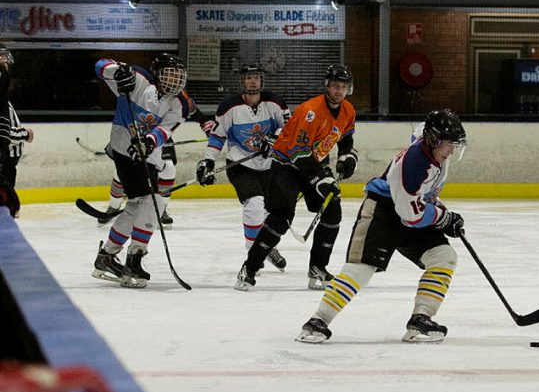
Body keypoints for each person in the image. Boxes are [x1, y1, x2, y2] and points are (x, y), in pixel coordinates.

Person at [296, 109, 466, 343]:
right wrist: (442, 218)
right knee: (361, 269)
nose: (452, 150)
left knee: (443, 256)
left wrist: (441, 212)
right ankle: (317, 321)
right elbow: (411, 215)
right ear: (434, 139)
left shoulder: (432, 149)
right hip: (382, 211)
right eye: (449, 144)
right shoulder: (415, 163)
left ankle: (421, 319)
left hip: (407, 208)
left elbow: (418, 198)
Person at [234, 64, 357, 291]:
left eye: (344, 87)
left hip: (312, 165)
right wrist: (322, 178)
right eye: (335, 86)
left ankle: (317, 267)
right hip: (286, 166)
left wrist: (346, 156)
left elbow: (346, 136)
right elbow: (298, 153)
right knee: (281, 217)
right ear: (327, 86)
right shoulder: (310, 111)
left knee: (332, 210)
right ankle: (249, 267)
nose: (339, 91)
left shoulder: (348, 110)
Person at [91, 53, 187, 288]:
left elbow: (164, 130)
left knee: (139, 204)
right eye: (170, 73)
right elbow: (99, 65)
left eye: (178, 74)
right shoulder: (138, 79)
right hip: (124, 150)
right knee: (153, 201)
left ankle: (107, 255)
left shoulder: (179, 104)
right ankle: (135, 256)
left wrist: (148, 142)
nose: (175, 79)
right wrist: (117, 72)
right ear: (157, 73)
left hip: (148, 157)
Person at [196, 63, 290, 270]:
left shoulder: (274, 102)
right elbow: (218, 136)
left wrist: (274, 139)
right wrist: (209, 160)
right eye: (248, 77)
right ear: (241, 81)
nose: (252, 81)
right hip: (241, 165)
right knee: (255, 204)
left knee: (271, 213)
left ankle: (265, 246)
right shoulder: (229, 107)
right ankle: (254, 253)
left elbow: (288, 128)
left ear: (261, 80)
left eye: (256, 77)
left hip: (270, 166)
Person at [98, 88, 214, 229]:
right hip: (131, 135)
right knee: (121, 171)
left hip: (160, 138)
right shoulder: (142, 89)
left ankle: (160, 208)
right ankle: (114, 206)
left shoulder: (176, 94)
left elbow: (192, 110)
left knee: (168, 168)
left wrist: (205, 124)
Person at [0, 43, 33, 218]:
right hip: (5, 159)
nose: (6, 60)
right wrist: (25, 134)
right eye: (3, 56)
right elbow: (4, 131)